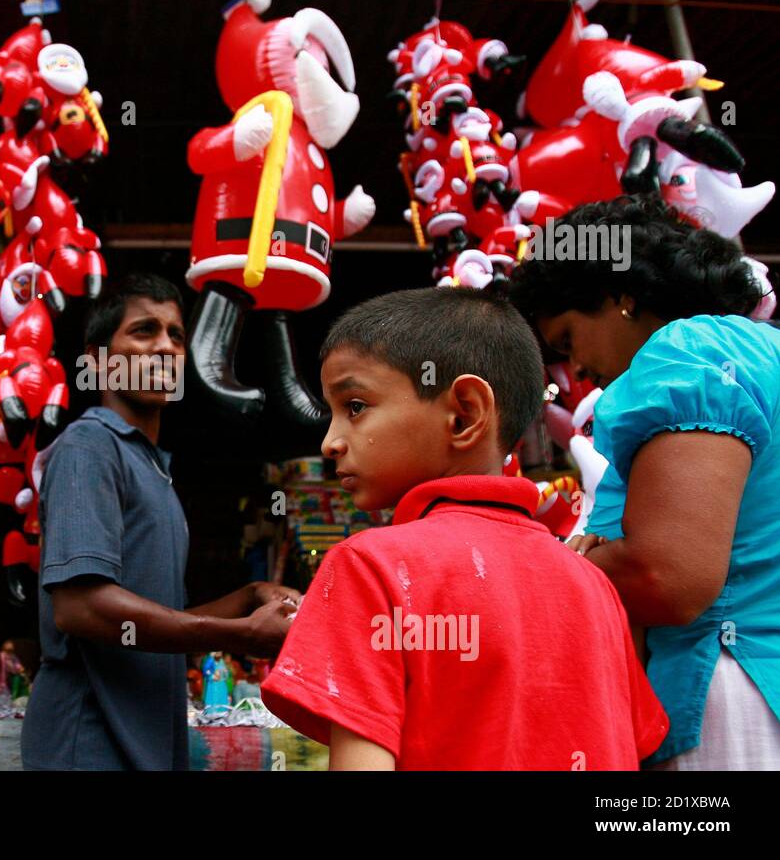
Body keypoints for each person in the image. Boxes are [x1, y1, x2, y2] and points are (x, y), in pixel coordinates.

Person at [260, 287, 668, 770]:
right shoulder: (592, 584)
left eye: (354, 406)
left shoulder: (370, 568)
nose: (330, 442)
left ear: (464, 414)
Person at [510, 195, 780, 770]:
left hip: (727, 699)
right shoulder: (762, 349)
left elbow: (668, 577)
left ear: (620, 299)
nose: (575, 369)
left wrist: (565, 564)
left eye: (567, 339)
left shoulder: (688, 358)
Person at [20, 273, 300, 771]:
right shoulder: (91, 447)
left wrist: (251, 596)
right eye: (144, 331)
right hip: (89, 739)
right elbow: (81, 606)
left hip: (145, 735)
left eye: (175, 334)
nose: (166, 347)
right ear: (96, 359)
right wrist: (237, 634)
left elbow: (156, 613)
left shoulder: (151, 465)